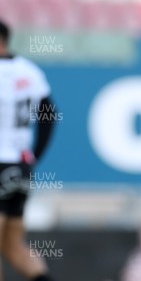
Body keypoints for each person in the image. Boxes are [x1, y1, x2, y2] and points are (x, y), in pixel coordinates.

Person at [0, 20, 57, 281]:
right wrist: (33, 158)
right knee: (12, 245)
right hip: (21, 167)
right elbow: (49, 116)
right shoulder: (29, 71)